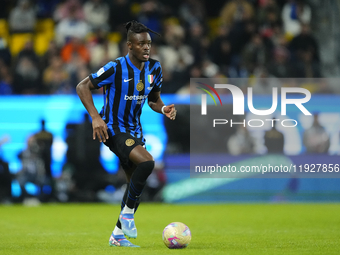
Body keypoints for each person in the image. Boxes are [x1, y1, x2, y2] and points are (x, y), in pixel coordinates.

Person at [76, 20, 177, 247]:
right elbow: (82, 86)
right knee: (147, 162)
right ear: (129, 45)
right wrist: (95, 117)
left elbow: (153, 100)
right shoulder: (115, 67)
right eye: (141, 44)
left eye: (149, 44)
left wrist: (163, 108)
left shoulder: (155, 68)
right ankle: (128, 215)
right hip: (112, 129)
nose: (146, 48)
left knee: (134, 186)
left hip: (135, 130)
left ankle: (118, 235)